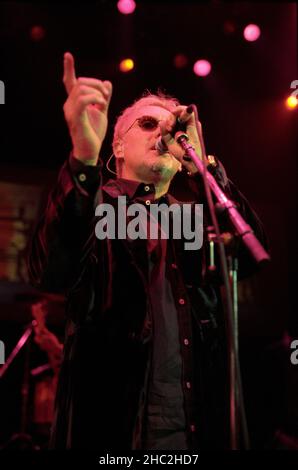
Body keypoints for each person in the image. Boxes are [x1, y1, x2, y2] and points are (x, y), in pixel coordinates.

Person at [28, 52, 267, 450]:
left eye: (171, 128)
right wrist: (84, 160)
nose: (162, 133)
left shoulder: (195, 217)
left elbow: (251, 254)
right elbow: (50, 269)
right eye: (148, 123)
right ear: (117, 146)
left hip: (193, 434)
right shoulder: (94, 204)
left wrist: (205, 168)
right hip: (115, 437)